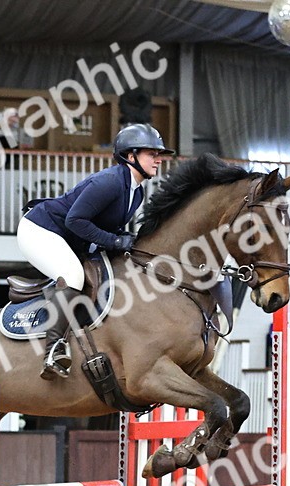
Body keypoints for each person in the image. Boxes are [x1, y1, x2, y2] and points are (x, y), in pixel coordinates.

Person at [17, 122, 174, 379]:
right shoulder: (110, 182)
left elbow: (105, 227)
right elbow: (75, 221)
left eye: (159, 154)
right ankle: (53, 350)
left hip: (69, 237)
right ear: (130, 156)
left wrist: (124, 240)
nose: (158, 160)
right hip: (40, 230)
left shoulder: (136, 192)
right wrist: (115, 241)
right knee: (73, 276)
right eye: (152, 154)